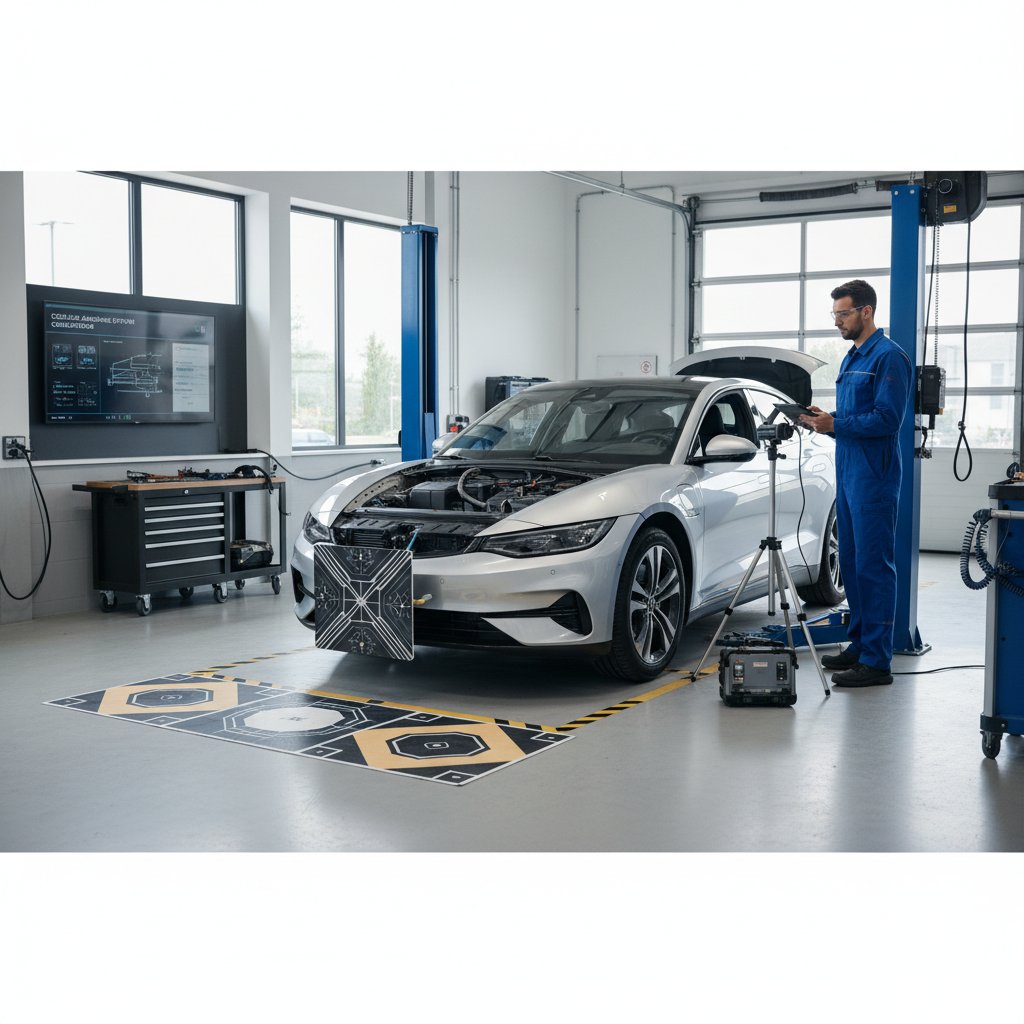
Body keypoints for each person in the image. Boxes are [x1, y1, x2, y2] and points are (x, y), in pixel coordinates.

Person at [801, 280, 912, 687]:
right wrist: (824, 420)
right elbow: (851, 419)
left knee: (873, 567)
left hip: (875, 478)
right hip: (848, 473)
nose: (838, 322)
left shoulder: (889, 358)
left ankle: (878, 662)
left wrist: (838, 423)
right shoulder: (852, 358)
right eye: (834, 315)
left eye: (843, 314)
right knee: (850, 562)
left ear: (866, 312)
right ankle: (860, 643)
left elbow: (887, 420)